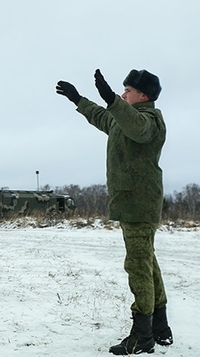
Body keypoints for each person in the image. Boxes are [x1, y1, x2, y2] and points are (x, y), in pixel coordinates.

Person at [56, 69, 173, 355]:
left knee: (137, 265)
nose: (123, 94)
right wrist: (78, 99)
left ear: (143, 96)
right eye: (121, 90)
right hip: (131, 203)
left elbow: (134, 125)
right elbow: (104, 117)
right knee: (147, 262)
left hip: (139, 204)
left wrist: (110, 98)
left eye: (128, 90)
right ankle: (160, 328)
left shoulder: (149, 121)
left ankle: (142, 334)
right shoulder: (123, 119)